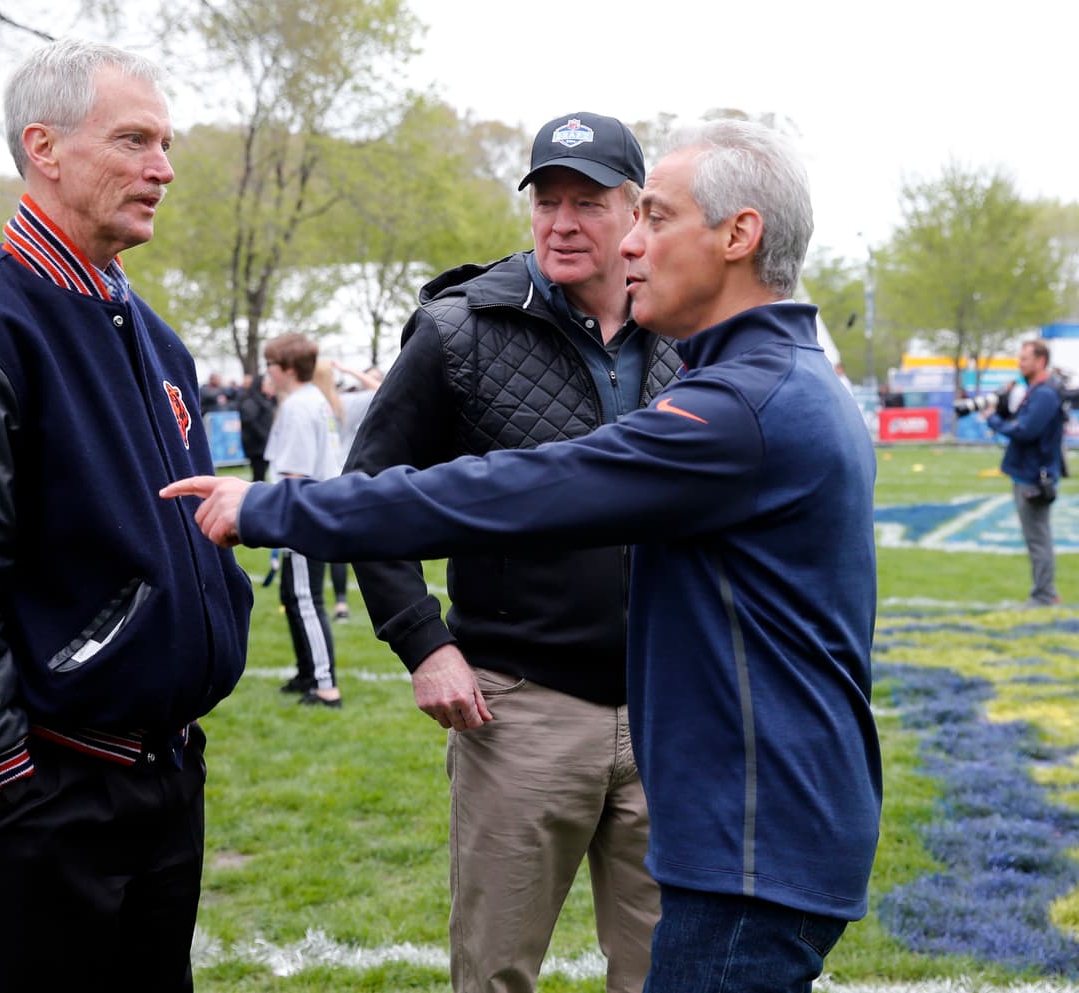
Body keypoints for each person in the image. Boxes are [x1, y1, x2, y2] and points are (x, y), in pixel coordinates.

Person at [164, 118, 882, 993]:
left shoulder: (743, 403)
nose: (629, 241)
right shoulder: (778, 377)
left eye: (648, 216)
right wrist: (426, 639)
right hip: (741, 813)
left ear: (738, 236)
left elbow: (520, 489)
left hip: (751, 837)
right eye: (555, 202)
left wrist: (276, 505)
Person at [0, 40, 253, 993]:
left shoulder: (153, 335)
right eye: (134, 141)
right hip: (51, 787)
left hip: (164, 773)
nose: (163, 169)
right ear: (45, 147)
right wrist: (0, 774)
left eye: (166, 143)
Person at [264, 332, 344, 707]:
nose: (268, 372)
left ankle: (326, 686)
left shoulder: (299, 405)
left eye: (271, 365)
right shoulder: (312, 400)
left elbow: (294, 475)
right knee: (293, 597)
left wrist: (277, 524)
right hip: (314, 511)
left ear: (289, 369)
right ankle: (307, 672)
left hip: (303, 515)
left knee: (305, 599)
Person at [985, 338, 1067, 607]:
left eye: (1025, 359)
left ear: (1040, 361)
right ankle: (1044, 592)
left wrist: (993, 420)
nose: (1020, 364)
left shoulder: (1044, 394)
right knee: (1036, 538)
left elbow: (1025, 431)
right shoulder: (1036, 390)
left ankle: (1044, 594)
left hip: (1033, 477)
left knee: (1038, 539)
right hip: (1028, 473)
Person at [312, 358, 383, 622]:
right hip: (336, 480)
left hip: (321, 482)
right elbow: (382, 390)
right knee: (338, 546)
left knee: (326, 549)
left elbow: (381, 390)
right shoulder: (335, 404)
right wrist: (349, 370)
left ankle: (330, 603)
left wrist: (350, 370)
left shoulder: (328, 404)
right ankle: (338, 603)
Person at [236, 370, 277, 482]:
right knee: (259, 475)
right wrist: (263, 435)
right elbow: (249, 421)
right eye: (266, 384)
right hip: (256, 445)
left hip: (263, 444)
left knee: (263, 474)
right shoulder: (250, 400)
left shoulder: (265, 399)